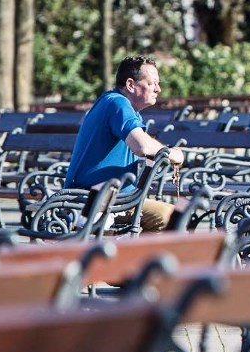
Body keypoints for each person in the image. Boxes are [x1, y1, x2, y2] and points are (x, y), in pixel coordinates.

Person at [65, 55, 185, 231]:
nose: (158, 89)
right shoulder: (118, 103)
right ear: (130, 85)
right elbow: (141, 146)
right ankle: (143, 258)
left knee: (175, 215)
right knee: (172, 218)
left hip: (111, 196)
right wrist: (174, 153)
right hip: (98, 200)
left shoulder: (113, 102)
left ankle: (139, 256)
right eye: (152, 83)